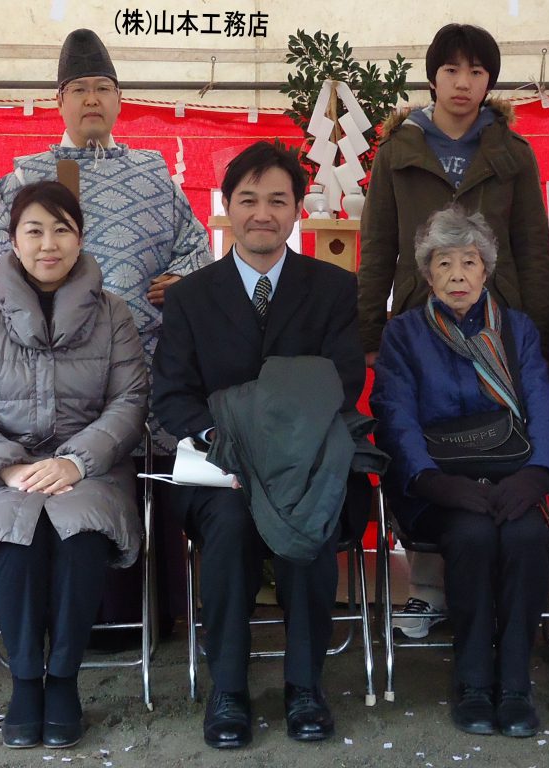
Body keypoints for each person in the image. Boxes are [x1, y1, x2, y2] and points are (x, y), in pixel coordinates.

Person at [0, 27, 211, 637]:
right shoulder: (23, 179)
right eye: (79, 89)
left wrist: (184, 280)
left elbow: (197, 248)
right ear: (60, 103)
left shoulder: (153, 176)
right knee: (42, 496)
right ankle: (46, 631)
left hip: (134, 373)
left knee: (129, 488)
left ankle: (137, 621)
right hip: (36, 379)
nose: (92, 99)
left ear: (120, 100)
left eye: (104, 88)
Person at [152, 141, 366, 749]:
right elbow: (172, 396)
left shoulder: (329, 288)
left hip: (309, 463)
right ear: (227, 208)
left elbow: (342, 380)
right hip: (221, 469)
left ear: (298, 208)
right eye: (248, 200)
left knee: (310, 516)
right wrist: (230, 444)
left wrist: (279, 446)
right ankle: (228, 690)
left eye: (278, 199)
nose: (263, 213)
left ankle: (304, 686)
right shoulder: (192, 297)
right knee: (227, 528)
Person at [0, 181, 148, 749]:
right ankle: (26, 682)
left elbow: (130, 401)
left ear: (80, 239)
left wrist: (78, 463)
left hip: (92, 470)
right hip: (8, 474)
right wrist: (5, 468)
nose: (48, 243)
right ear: (13, 240)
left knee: (80, 538)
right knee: (17, 538)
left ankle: (64, 681)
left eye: (62, 229)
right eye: (34, 230)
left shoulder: (114, 314)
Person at [358, 22, 549, 639]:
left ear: (489, 81)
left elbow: (532, 247)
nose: (463, 83)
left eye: (476, 72)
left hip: (501, 319)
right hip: (423, 316)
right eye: (451, 71)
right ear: (433, 76)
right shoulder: (398, 149)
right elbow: (378, 246)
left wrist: (540, 332)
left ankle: (494, 583)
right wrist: (369, 328)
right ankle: (427, 591)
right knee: (429, 435)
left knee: (500, 442)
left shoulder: (512, 152)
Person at [370, 205, 549, 738]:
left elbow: (544, 403)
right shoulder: (404, 334)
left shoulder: (515, 329)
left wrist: (538, 475)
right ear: (427, 274)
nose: (457, 275)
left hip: (512, 478)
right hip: (438, 488)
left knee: (528, 537)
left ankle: (516, 682)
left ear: (486, 271)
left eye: (469, 262)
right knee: (474, 537)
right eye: (444, 263)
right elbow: (394, 415)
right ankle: (474, 679)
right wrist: (433, 481)